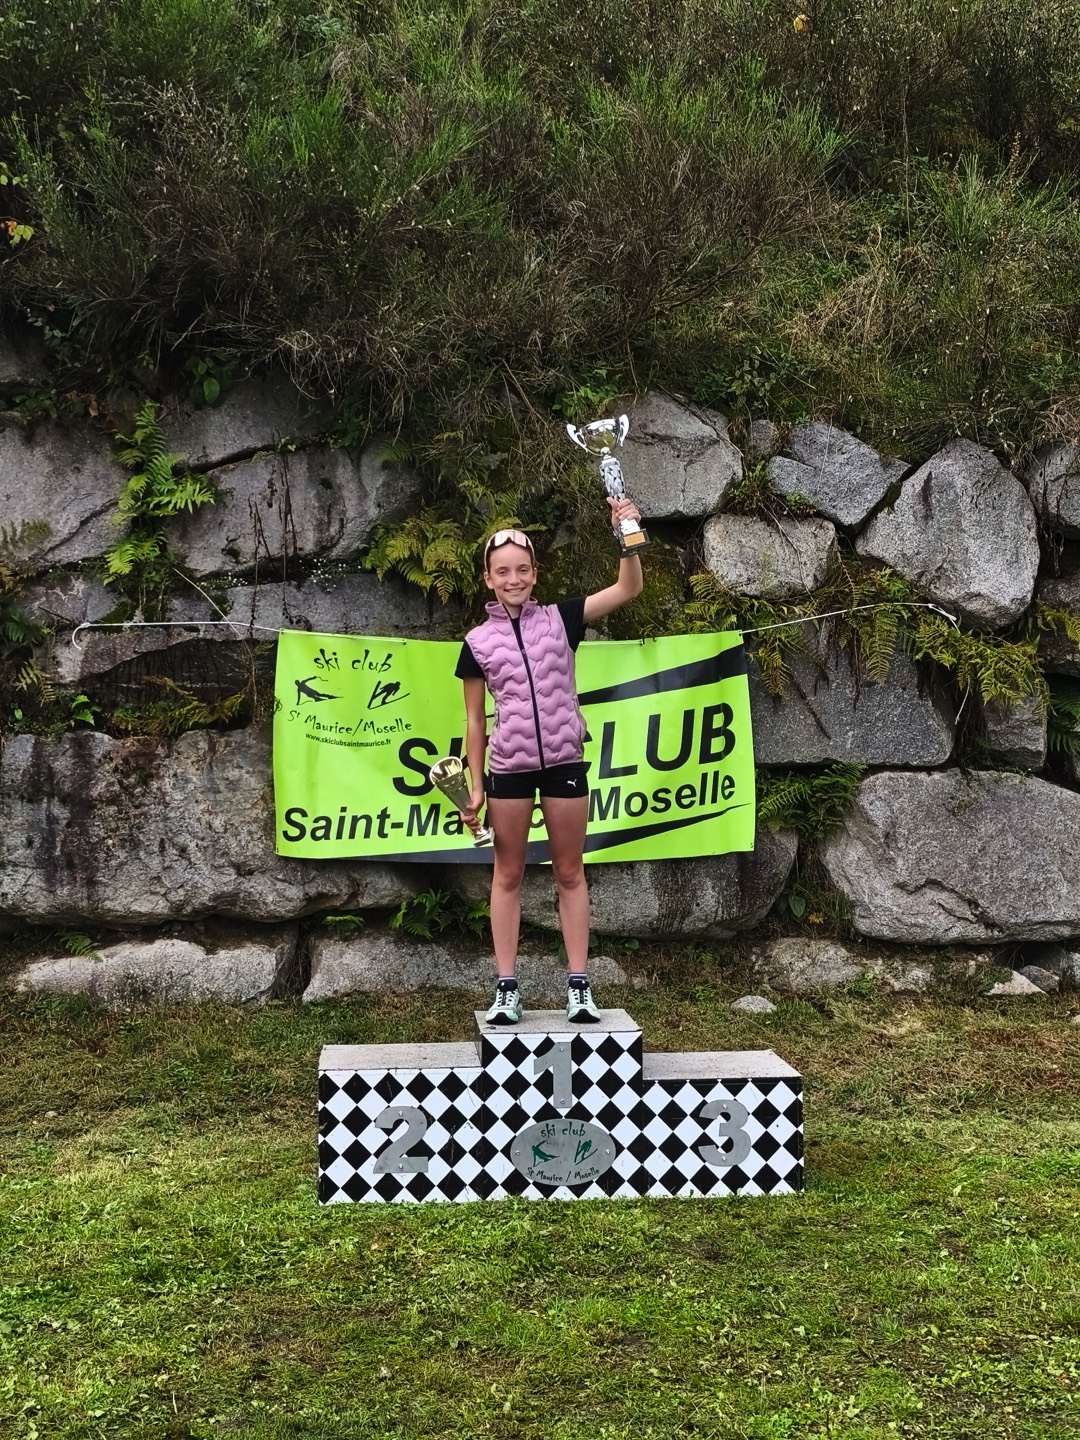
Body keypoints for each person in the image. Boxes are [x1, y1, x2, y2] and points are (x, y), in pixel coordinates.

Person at [457, 502, 643, 1026]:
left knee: (569, 871)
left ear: (535, 574)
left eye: (522, 569)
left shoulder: (561, 618)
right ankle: (506, 989)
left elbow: (628, 588)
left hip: (564, 760)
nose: (513, 579)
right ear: (488, 579)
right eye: (502, 572)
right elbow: (473, 721)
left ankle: (579, 987)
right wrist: (475, 787)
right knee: (507, 874)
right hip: (509, 769)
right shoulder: (476, 643)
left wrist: (626, 532)